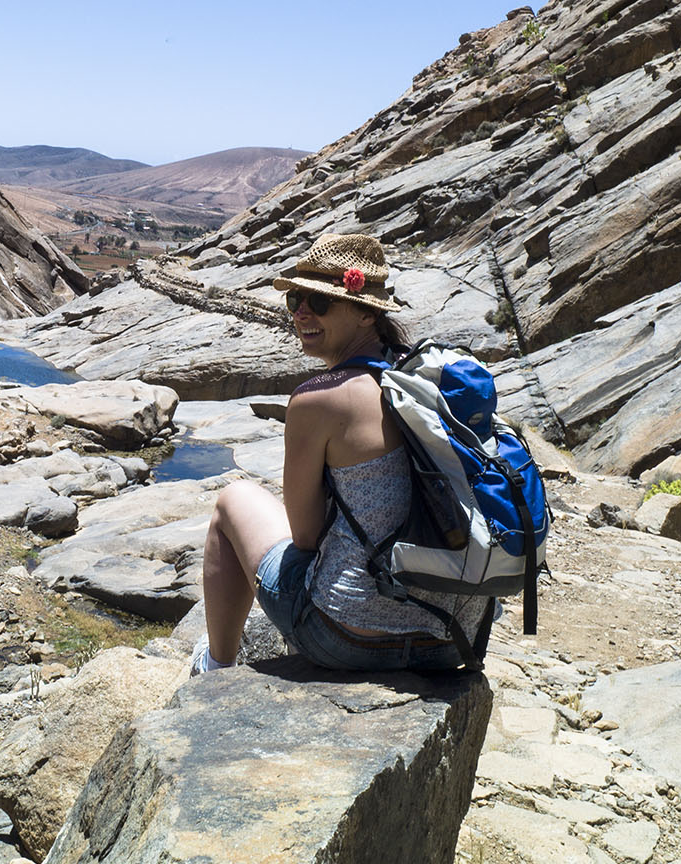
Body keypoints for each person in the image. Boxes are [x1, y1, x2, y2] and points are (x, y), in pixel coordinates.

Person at [193, 232, 493, 674]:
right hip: (455, 639)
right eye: (296, 300)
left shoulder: (318, 400)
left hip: (350, 637)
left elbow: (306, 538)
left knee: (232, 501)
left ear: (367, 314)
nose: (302, 314)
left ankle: (216, 666)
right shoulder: (425, 384)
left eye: (321, 303)